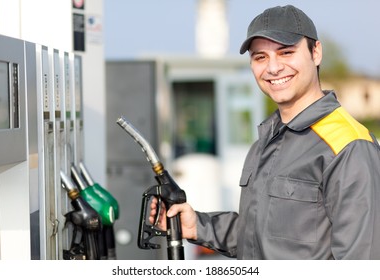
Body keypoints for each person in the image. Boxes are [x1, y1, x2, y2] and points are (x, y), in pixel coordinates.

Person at [150, 5, 380, 259]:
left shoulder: (349, 146)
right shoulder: (266, 141)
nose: (273, 68)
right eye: (260, 57)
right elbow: (259, 237)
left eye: (286, 52)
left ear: (316, 53)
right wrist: (197, 226)